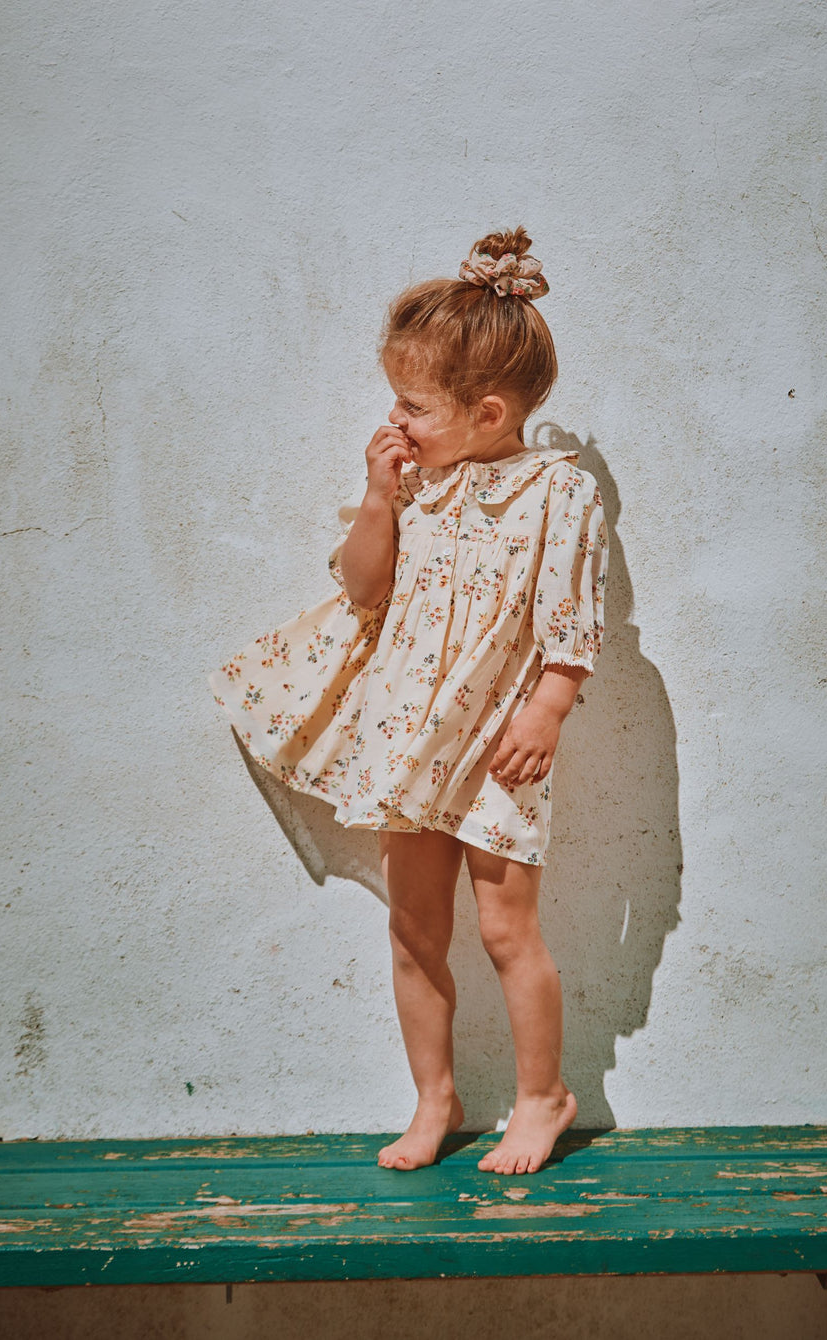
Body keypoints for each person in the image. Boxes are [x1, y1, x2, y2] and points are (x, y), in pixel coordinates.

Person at [211, 228, 608, 1175]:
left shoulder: (560, 493)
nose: (394, 419)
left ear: (487, 411)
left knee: (509, 928)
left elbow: (571, 619)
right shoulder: (416, 486)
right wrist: (378, 497)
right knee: (414, 926)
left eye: (413, 404)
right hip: (406, 734)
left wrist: (547, 709)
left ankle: (544, 1097)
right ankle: (435, 1098)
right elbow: (362, 590)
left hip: (501, 743)